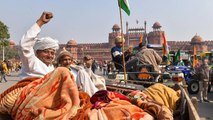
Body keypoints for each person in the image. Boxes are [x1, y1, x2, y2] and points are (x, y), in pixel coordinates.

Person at [18, 11, 59, 79]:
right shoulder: (32, 63)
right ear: (37, 52)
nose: (49, 55)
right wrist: (40, 22)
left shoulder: (51, 68)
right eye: (45, 52)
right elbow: (24, 45)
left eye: (52, 53)